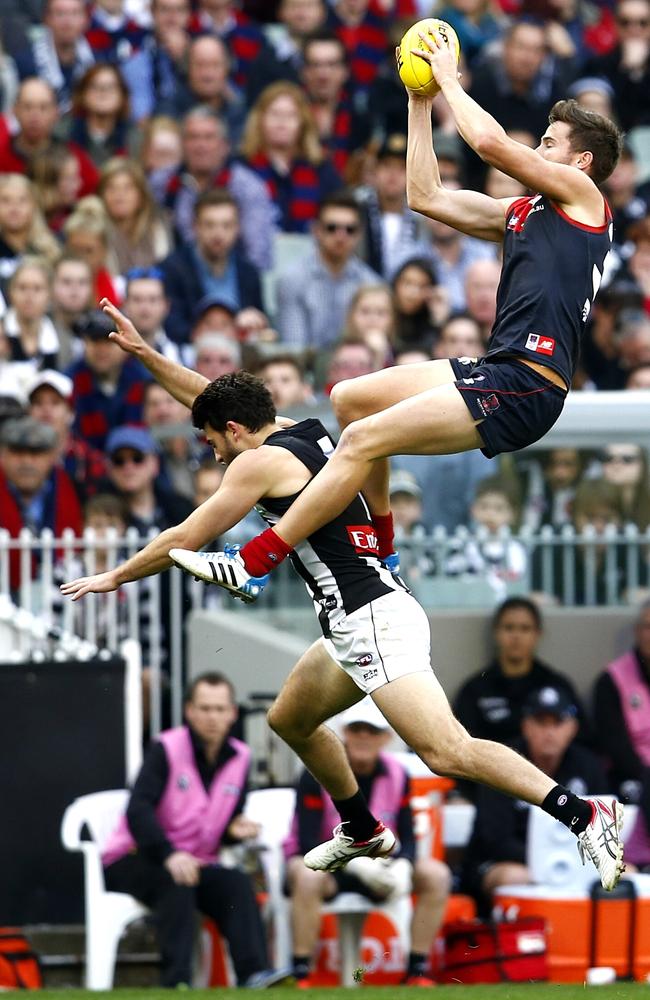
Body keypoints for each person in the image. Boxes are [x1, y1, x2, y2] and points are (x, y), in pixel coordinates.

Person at [61, 301, 625, 895]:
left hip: (370, 620)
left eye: (211, 441)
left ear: (232, 432)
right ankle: (359, 827)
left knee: (446, 751)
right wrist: (149, 355)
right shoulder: (303, 434)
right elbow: (214, 398)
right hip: (358, 618)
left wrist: (113, 577)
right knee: (291, 719)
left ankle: (583, 815)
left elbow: (183, 537)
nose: (213, 454)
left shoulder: (253, 464)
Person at [208, 47, 624, 613]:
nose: (538, 150)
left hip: (530, 383)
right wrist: (418, 101)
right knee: (351, 399)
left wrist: (450, 80)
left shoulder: (586, 199)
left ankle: (255, 564)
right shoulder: (527, 213)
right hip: (501, 368)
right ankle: (385, 549)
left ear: (580, 163)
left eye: (549, 144)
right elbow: (424, 197)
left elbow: (493, 146)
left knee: (358, 440)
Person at [101, 671, 291, 988]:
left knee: (236, 884)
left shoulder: (241, 758)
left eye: (219, 709)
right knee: (177, 881)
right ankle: (177, 982)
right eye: (204, 708)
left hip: (195, 861)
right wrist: (169, 854)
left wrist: (235, 830)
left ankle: (254, 974)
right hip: (135, 858)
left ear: (232, 713)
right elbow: (138, 809)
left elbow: (224, 821)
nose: (212, 717)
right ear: (189, 711)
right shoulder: (166, 748)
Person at [285, 698, 451, 987]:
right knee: (306, 873)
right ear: (344, 732)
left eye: (371, 731)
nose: (363, 737)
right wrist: (355, 863)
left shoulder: (398, 775)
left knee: (437, 875)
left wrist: (403, 865)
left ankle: (417, 971)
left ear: (385, 737)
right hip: (329, 870)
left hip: (381, 869)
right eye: (357, 729)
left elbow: (408, 836)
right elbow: (307, 844)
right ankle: (301, 974)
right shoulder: (317, 771)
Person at [463, 686, 608, 910]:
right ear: (526, 726)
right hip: (505, 863)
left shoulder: (588, 766)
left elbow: (602, 825)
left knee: (625, 872)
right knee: (514, 877)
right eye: (541, 722)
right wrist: (550, 862)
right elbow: (495, 839)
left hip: (572, 863)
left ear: (572, 728)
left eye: (557, 723)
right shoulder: (501, 764)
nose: (549, 732)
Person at [454, 597, 587, 751]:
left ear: (538, 634)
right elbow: (462, 747)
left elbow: (582, 741)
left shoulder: (557, 686)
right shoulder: (475, 691)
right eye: (509, 628)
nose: (516, 636)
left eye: (525, 628)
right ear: (496, 632)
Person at [276, 189, 381, 348]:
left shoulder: (371, 283)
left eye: (349, 229)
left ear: (359, 234)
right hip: (306, 368)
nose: (341, 236)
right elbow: (294, 348)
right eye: (332, 228)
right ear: (316, 230)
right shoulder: (293, 279)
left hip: (359, 368)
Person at [159, 189, 263, 346]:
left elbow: (259, 321)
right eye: (209, 225)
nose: (218, 234)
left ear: (237, 228)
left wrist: (257, 324)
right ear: (195, 227)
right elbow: (172, 327)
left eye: (226, 225)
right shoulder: (173, 269)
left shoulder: (249, 272)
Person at [240, 81, 341, 234]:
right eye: (275, 114)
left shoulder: (321, 169)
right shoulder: (242, 167)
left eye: (290, 115)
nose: (282, 122)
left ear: (303, 123)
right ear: (260, 120)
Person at [594, 601, 650, 871]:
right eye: (647, 627)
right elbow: (615, 745)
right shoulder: (612, 680)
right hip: (633, 777)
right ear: (637, 631)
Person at [0, 414, 82, 590]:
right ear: (2, 455)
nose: (26, 461)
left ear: (52, 456)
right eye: (17, 452)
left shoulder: (72, 490)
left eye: (36, 452)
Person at [66, 308, 151, 449]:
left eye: (110, 341)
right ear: (84, 343)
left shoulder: (143, 380)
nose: (102, 349)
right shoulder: (68, 383)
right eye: (95, 340)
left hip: (133, 461)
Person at [27, 368, 108, 503]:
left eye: (55, 402)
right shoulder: (13, 458)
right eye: (38, 403)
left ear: (71, 412)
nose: (46, 409)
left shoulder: (90, 459)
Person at [13, 0, 94, 113]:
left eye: (75, 13)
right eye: (60, 13)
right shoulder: (24, 63)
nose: (67, 22)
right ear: (46, 19)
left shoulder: (97, 62)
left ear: (86, 19)